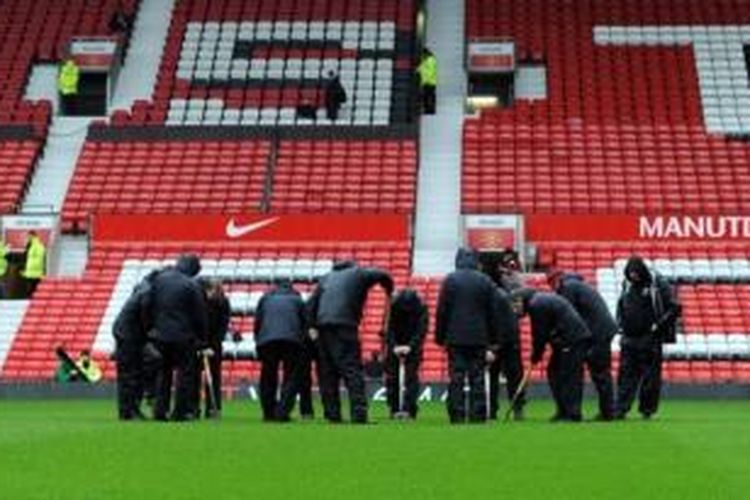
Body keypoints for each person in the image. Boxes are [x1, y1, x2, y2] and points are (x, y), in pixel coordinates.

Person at [307, 260, 394, 424]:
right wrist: (389, 289)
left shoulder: (326, 278)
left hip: (323, 328)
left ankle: (332, 415)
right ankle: (359, 414)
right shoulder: (358, 273)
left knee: (327, 373)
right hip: (345, 326)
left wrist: (312, 326)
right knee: (352, 370)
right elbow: (382, 274)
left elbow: (310, 305)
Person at [435, 248, 500, 424]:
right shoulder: (485, 281)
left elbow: (442, 311)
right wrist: (493, 341)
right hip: (479, 337)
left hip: (455, 337)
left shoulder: (450, 280)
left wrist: (440, 337)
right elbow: (493, 312)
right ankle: (477, 415)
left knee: (456, 378)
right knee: (477, 377)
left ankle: (456, 414)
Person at [511, 288, 592, 422]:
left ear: (521, 300)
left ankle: (572, 413)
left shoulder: (536, 305)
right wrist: (537, 354)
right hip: (566, 340)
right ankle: (563, 410)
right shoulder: (538, 301)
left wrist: (535, 356)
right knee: (554, 372)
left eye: (515, 305)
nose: (515, 311)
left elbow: (539, 334)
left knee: (568, 377)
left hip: (572, 340)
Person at [616, 256, 680, 420]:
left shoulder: (657, 285)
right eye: (630, 274)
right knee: (625, 376)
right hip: (629, 338)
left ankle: (647, 410)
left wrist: (658, 326)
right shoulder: (626, 285)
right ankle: (620, 409)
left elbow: (675, 308)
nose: (633, 276)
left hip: (649, 339)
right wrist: (621, 325)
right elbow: (621, 306)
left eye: (636, 273)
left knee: (650, 377)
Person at [549, 271, 618, 420]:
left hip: (596, 333)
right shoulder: (580, 286)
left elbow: (567, 316)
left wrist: (556, 335)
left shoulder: (568, 288)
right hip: (602, 331)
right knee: (601, 372)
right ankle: (608, 411)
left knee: (595, 372)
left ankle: (576, 412)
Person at [150, 254, 207, 422]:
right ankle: (180, 412)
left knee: (163, 372)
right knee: (184, 374)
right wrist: (202, 338)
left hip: (160, 335)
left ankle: (160, 410)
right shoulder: (191, 285)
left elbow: (148, 303)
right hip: (183, 337)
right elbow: (200, 315)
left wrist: (151, 327)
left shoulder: (159, 280)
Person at [254, 279, 307, 422]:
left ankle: (268, 412)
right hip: (292, 341)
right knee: (290, 377)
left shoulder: (265, 299)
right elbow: (305, 324)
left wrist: (258, 342)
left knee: (268, 376)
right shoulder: (298, 300)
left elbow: (258, 322)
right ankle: (282, 412)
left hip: (267, 341)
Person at [112, 268, 160, 420]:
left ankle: (129, 409)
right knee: (130, 374)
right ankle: (129, 411)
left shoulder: (142, 288)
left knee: (131, 373)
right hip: (129, 335)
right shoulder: (147, 292)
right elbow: (145, 317)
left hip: (126, 333)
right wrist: (150, 333)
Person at [384, 288, 428, 419]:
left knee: (411, 378)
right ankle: (394, 407)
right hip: (395, 346)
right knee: (392, 378)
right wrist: (394, 346)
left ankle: (410, 408)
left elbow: (421, 331)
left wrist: (411, 346)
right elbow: (389, 329)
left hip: (413, 348)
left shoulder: (421, 309)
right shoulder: (393, 307)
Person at [194, 278, 230, 419]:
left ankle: (213, 409)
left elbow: (222, 326)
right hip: (199, 345)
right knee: (194, 377)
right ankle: (194, 407)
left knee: (214, 378)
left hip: (214, 345)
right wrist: (201, 345)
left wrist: (212, 346)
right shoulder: (199, 303)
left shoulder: (223, 304)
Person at [488, 287, 525, 420]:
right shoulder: (501, 297)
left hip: (507, 342)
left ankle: (514, 408)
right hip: (501, 342)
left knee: (508, 377)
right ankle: (512, 408)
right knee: (507, 377)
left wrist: (494, 347)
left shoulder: (496, 299)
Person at [22, 231, 46, 297]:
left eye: (28, 236)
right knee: (31, 289)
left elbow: (39, 258)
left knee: (32, 289)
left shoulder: (37, 245)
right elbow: (26, 256)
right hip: (31, 271)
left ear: (32, 236)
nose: (27, 238)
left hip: (34, 271)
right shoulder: (31, 245)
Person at [417, 47, 437, 114]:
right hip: (426, 82)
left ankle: (431, 110)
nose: (422, 56)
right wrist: (418, 70)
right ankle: (427, 110)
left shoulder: (430, 60)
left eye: (423, 54)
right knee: (426, 97)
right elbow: (422, 67)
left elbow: (430, 72)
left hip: (430, 82)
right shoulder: (426, 60)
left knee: (429, 97)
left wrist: (424, 81)